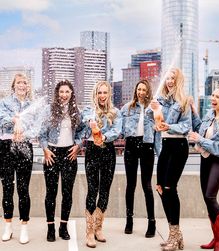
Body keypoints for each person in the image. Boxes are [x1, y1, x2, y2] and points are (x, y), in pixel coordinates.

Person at [188, 84, 219, 251]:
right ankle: (217, 238)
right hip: (205, 159)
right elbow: (201, 129)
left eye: (217, 97)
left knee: (210, 196)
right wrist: (194, 111)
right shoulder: (210, 114)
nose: (213, 99)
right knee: (207, 200)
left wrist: (200, 140)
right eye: (212, 96)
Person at [38, 80, 84, 242]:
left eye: (67, 92)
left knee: (67, 193)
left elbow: (81, 131)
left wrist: (78, 145)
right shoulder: (49, 110)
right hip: (52, 153)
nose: (64, 95)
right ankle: (50, 228)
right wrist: (45, 149)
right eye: (61, 92)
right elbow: (41, 133)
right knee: (51, 193)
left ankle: (63, 227)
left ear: (72, 94)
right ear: (57, 93)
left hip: (69, 154)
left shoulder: (76, 112)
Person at [151, 68, 191, 251]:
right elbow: (156, 123)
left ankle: (175, 237)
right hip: (165, 146)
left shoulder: (184, 101)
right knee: (160, 188)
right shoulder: (160, 101)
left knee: (169, 188)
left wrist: (170, 126)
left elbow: (186, 126)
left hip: (178, 147)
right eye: (167, 78)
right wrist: (156, 119)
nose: (169, 81)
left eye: (173, 78)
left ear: (178, 80)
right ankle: (175, 234)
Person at [82, 80, 122, 248]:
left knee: (105, 189)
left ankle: (98, 228)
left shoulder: (115, 112)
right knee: (93, 189)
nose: (102, 96)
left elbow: (117, 130)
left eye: (105, 92)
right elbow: (85, 122)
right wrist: (91, 123)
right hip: (92, 150)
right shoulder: (88, 110)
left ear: (109, 94)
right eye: (100, 92)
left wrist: (105, 137)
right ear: (95, 94)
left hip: (108, 150)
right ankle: (89, 232)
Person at [0, 73, 33, 244]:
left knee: (23, 189)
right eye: (19, 82)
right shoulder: (4, 102)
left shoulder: (32, 105)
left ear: (28, 86)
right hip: (6, 147)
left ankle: (24, 227)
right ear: (13, 86)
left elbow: (36, 127)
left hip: (24, 147)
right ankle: (8, 226)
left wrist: (24, 133)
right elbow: (1, 119)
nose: (22, 85)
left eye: (25, 82)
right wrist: (16, 120)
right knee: (7, 188)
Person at [121, 79, 156, 238]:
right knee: (130, 185)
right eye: (139, 89)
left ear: (148, 91)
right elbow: (119, 128)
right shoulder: (127, 108)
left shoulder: (153, 108)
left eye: (144, 90)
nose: (141, 92)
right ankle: (129, 221)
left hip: (147, 146)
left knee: (147, 186)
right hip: (131, 146)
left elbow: (159, 131)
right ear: (136, 90)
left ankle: (152, 222)